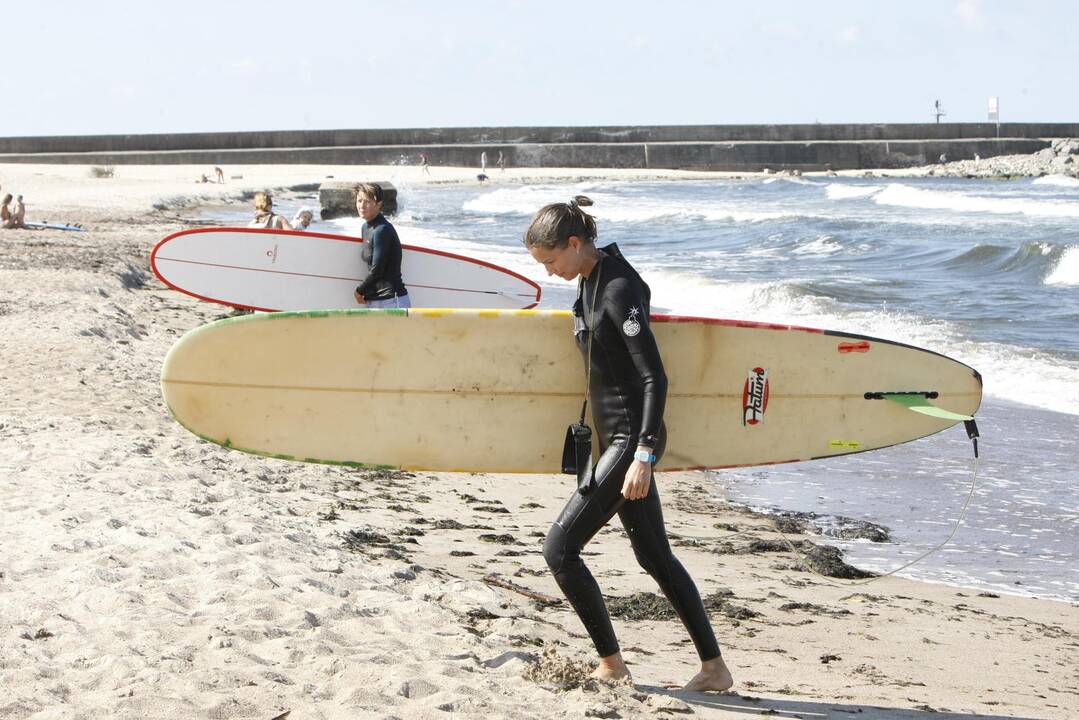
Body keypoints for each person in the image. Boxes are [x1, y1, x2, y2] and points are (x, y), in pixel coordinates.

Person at [523, 196, 733, 693]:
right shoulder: (591, 280)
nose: (551, 273)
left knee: (560, 548)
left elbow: (653, 376)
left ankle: (613, 663)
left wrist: (642, 453)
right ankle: (714, 669)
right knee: (655, 556)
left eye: (552, 261)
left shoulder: (617, 288)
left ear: (575, 244)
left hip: (630, 440)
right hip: (614, 439)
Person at [353, 183, 409, 309]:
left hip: (392, 301)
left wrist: (359, 291)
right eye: (359, 200)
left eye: (367, 201)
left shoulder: (382, 229)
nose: (362, 206)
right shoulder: (365, 227)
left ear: (378, 204)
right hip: (373, 300)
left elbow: (377, 269)